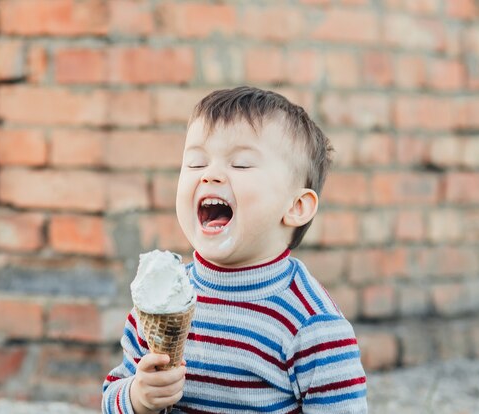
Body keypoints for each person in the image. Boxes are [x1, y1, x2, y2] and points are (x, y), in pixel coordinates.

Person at [102, 86, 367, 413]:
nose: (210, 175)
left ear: (296, 206)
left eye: (240, 165)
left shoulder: (312, 324)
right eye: (196, 163)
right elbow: (111, 395)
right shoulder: (162, 300)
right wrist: (137, 396)